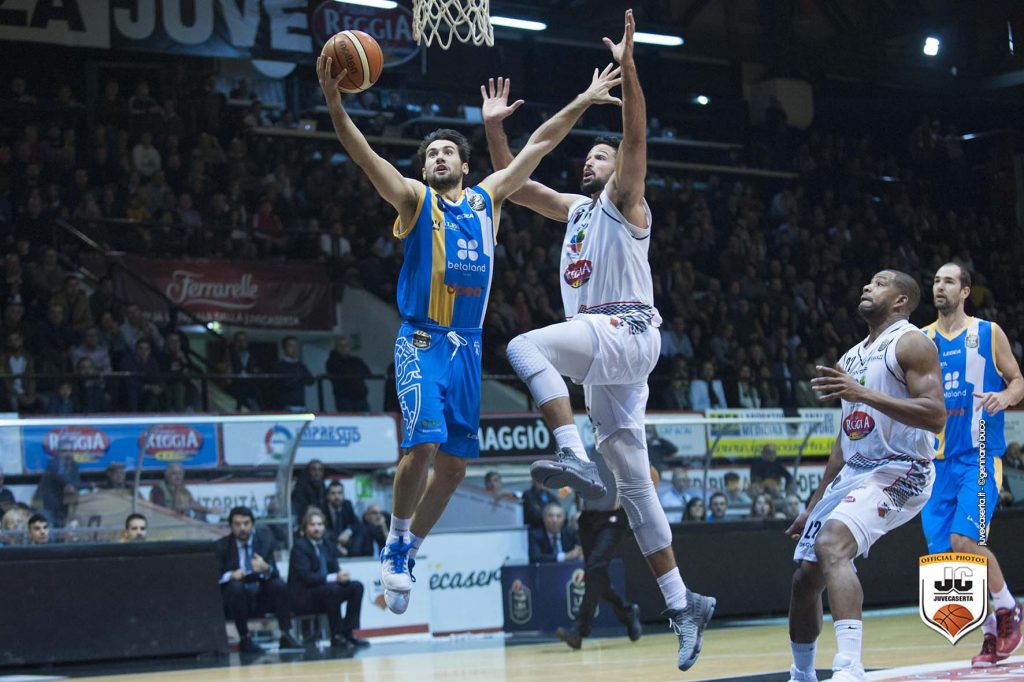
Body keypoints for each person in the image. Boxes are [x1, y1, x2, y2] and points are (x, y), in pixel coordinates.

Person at [316, 44, 624, 616]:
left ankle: (408, 550)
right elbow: (365, 160)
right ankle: (393, 542)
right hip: (421, 340)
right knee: (424, 440)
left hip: (467, 350)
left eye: (446, 152)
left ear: (464, 164)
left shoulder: (489, 200)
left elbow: (538, 145)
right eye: (429, 152)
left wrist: (583, 99)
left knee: (455, 466)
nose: (437, 157)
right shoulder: (414, 200)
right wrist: (337, 106)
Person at [485, 13, 715, 671]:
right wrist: (496, 129)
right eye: (588, 155)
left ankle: (569, 452)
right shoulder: (575, 209)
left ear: (619, 170)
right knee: (637, 489)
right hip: (605, 355)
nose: (592, 157)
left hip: (628, 328)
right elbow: (514, 184)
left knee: (526, 348)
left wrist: (632, 68)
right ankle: (682, 604)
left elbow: (635, 132)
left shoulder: (626, 201)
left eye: (601, 154)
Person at [786, 270, 945, 682]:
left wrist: (864, 393)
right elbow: (846, 438)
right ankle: (801, 675)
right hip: (854, 472)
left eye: (878, 282)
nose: (865, 286)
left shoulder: (911, 342)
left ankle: (849, 668)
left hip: (902, 467)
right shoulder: (850, 358)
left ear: (900, 301)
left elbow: (936, 415)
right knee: (804, 580)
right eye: (867, 282)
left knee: (832, 544)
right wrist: (815, 502)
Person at [920, 263, 1024, 667]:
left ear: (965, 291)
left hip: (979, 457)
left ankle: (1008, 608)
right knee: (951, 561)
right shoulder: (921, 340)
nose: (939, 287)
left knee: (966, 541)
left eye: (947, 281)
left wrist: (1007, 397)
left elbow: (1018, 380)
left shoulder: (987, 332)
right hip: (935, 465)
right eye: (935, 281)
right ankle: (990, 635)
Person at [556, 451, 642, 650]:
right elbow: (569, 483)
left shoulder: (622, 451)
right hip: (588, 518)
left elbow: (646, 478)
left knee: (595, 566)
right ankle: (627, 612)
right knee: (596, 573)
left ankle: (579, 630)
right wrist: (567, 493)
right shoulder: (583, 452)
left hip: (614, 517)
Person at [215, 506, 300, 654]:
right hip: (235, 599)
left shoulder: (265, 541)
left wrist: (265, 567)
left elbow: (275, 574)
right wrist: (230, 575)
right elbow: (214, 576)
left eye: (246, 523)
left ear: (252, 524)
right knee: (235, 587)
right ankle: (244, 638)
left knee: (279, 585)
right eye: (237, 524)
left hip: (260, 596)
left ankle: (285, 635)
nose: (242, 528)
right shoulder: (221, 546)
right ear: (231, 526)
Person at [288, 508, 367, 653]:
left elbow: (334, 568)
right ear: (305, 528)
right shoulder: (299, 547)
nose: (316, 528)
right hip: (305, 596)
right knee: (333, 589)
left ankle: (348, 632)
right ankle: (336, 635)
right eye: (312, 525)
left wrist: (341, 575)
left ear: (324, 526)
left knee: (356, 587)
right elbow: (306, 577)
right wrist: (334, 578)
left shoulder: (326, 544)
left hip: (326, 592)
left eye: (319, 524)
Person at [150, 462, 220, 519]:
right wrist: (183, 507)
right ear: (167, 475)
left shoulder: (184, 490)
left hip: (181, 526)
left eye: (180, 473)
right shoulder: (158, 489)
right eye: (174, 474)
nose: (178, 477)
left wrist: (209, 510)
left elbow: (193, 504)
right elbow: (160, 512)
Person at [326, 337, 371, 412]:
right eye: (341, 346)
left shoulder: (356, 360)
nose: (344, 348)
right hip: (344, 399)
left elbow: (368, 373)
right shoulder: (332, 362)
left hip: (360, 397)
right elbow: (342, 373)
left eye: (346, 346)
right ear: (336, 348)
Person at [272, 336, 313, 411]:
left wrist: (299, 379)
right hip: (285, 405)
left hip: (301, 405)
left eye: (295, 346)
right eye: (290, 346)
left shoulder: (301, 365)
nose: (294, 349)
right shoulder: (279, 366)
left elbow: (311, 381)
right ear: (284, 348)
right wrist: (298, 379)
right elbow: (283, 384)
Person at [291, 459, 328, 528]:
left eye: (320, 470)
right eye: (314, 470)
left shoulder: (323, 487)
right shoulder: (300, 487)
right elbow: (301, 510)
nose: (317, 473)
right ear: (308, 472)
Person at [323, 480, 357, 552]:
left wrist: (348, 532)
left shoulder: (347, 505)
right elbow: (323, 530)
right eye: (333, 493)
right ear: (328, 496)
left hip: (346, 542)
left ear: (343, 495)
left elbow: (355, 523)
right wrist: (338, 540)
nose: (337, 496)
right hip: (329, 544)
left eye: (340, 493)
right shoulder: (322, 508)